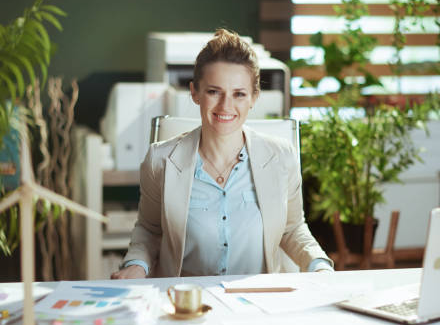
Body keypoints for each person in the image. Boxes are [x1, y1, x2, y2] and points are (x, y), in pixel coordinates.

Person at [111, 28, 333, 279]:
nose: (226, 106)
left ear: (254, 97)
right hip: (186, 303)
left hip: (258, 305)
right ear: (195, 92)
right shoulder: (161, 161)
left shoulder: (282, 157)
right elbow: (150, 231)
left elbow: (292, 229)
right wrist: (136, 265)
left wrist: (318, 263)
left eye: (239, 94)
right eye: (214, 91)